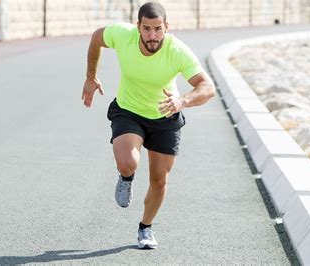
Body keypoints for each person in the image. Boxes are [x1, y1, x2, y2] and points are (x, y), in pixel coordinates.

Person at [81, 2, 215, 249]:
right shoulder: (123, 36)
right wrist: (91, 77)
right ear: (138, 27)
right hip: (129, 111)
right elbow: (96, 38)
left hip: (166, 116)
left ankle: (145, 228)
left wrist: (182, 100)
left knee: (159, 180)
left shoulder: (177, 50)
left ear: (166, 27)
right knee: (128, 162)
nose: (152, 35)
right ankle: (126, 177)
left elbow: (207, 88)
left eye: (158, 29)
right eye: (146, 29)